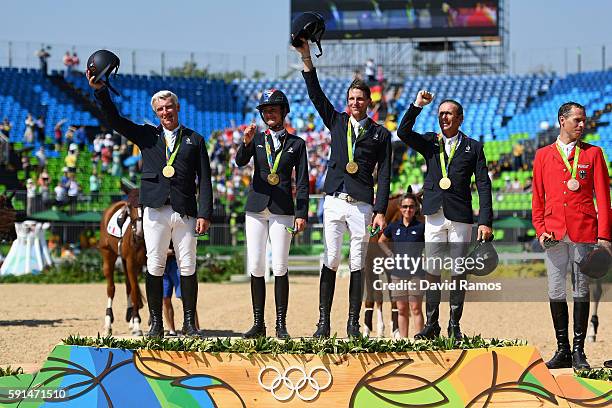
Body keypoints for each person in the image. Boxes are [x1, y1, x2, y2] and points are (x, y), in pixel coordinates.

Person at [88, 70, 213, 338]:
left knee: (188, 265)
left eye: (169, 107)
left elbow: (205, 180)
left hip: (186, 211)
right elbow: (114, 120)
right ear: (156, 113)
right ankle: (155, 323)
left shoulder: (195, 139)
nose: (166, 112)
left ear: (177, 108)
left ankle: (189, 324)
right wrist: (101, 91)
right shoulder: (146, 136)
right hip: (154, 210)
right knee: (155, 264)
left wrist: (205, 213)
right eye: (160, 109)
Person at [295, 40, 392, 338]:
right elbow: (316, 95)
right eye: (351, 98)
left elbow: (385, 174)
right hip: (335, 200)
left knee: (357, 261)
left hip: (362, 203)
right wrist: (306, 58)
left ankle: (352, 323)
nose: (354, 102)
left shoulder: (380, 134)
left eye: (360, 98)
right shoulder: (337, 122)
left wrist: (379, 210)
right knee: (332, 257)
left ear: (369, 102)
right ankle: (323, 322)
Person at [396, 90, 493, 340]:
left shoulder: (474, 147)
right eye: (440, 114)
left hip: (460, 214)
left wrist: (485, 221)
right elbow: (403, 132)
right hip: (434, 214)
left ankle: (454, 325)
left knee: (458, 269)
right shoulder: (430, 141)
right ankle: (432, 324)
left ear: (460, 118)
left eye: (448, 114)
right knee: (433, 269)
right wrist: (417, 105)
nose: (443, 118)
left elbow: (483, 185)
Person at [531, 102, 611, 369]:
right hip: (553, 232)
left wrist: (604, 236)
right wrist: (540, 231)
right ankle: (562, 348)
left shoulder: (594, 153)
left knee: (581, 289)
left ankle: (579, 351)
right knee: (555, 289)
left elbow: (603, 196)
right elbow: (537, 199)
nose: (581, 125)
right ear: (561, 121)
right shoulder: (542, 155)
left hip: (583, 231)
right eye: (576, 120)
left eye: (583, 120)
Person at [235, 89, 309, 339]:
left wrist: (302, 212)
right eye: (266, 111)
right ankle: (258, 324)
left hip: (283, 210)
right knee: (256, 264)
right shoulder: (256, 139)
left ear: (283, 112)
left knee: (279, 265)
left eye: (274, 110)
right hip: (256, 207)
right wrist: (245, 142)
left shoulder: (297, 144)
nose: (269, 114)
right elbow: (239, 162)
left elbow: (302, 180)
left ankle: (280, 324)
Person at [378, 192, 425, 338]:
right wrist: (390, 255)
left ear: (416, 208)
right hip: (397, 273)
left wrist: (425, 256)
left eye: (411, 206)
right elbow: (381, 241)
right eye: (405, 206)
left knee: (416, 308)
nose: (408, 210)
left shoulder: (422, 227)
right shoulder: (393, 226)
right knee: (401, 309)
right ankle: (404, 341)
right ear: (400, 208)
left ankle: (419, 340)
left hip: (416, 273)